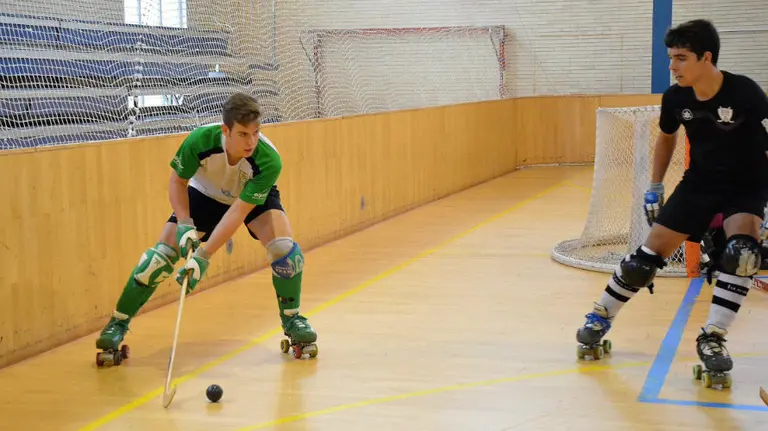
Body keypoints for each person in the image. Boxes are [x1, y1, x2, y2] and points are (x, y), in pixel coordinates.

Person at [575, 19, 768, 387]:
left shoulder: (746, 94)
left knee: (741, 254)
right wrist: (654, 186)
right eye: (670, 58)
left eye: (680, 58)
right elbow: (667, 137)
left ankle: (712, 337)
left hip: (747, 186)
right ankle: (600, 316)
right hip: (699, 184)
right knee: (644, 261)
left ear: (706, 58)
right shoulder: (676, 98)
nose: (672, 67)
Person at [95, 92, 317, 366]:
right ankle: (117, 324)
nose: (251, 142)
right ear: (226, 130)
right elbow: (177, 183)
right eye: (243, 134)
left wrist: (203, 255)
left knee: (286, 252)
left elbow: (238, 211)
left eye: (256, 133)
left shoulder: (269, 160)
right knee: (159, 257)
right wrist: (185, 224)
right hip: (203, 195)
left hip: (248, 199)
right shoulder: (199, 141)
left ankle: (292, 319)